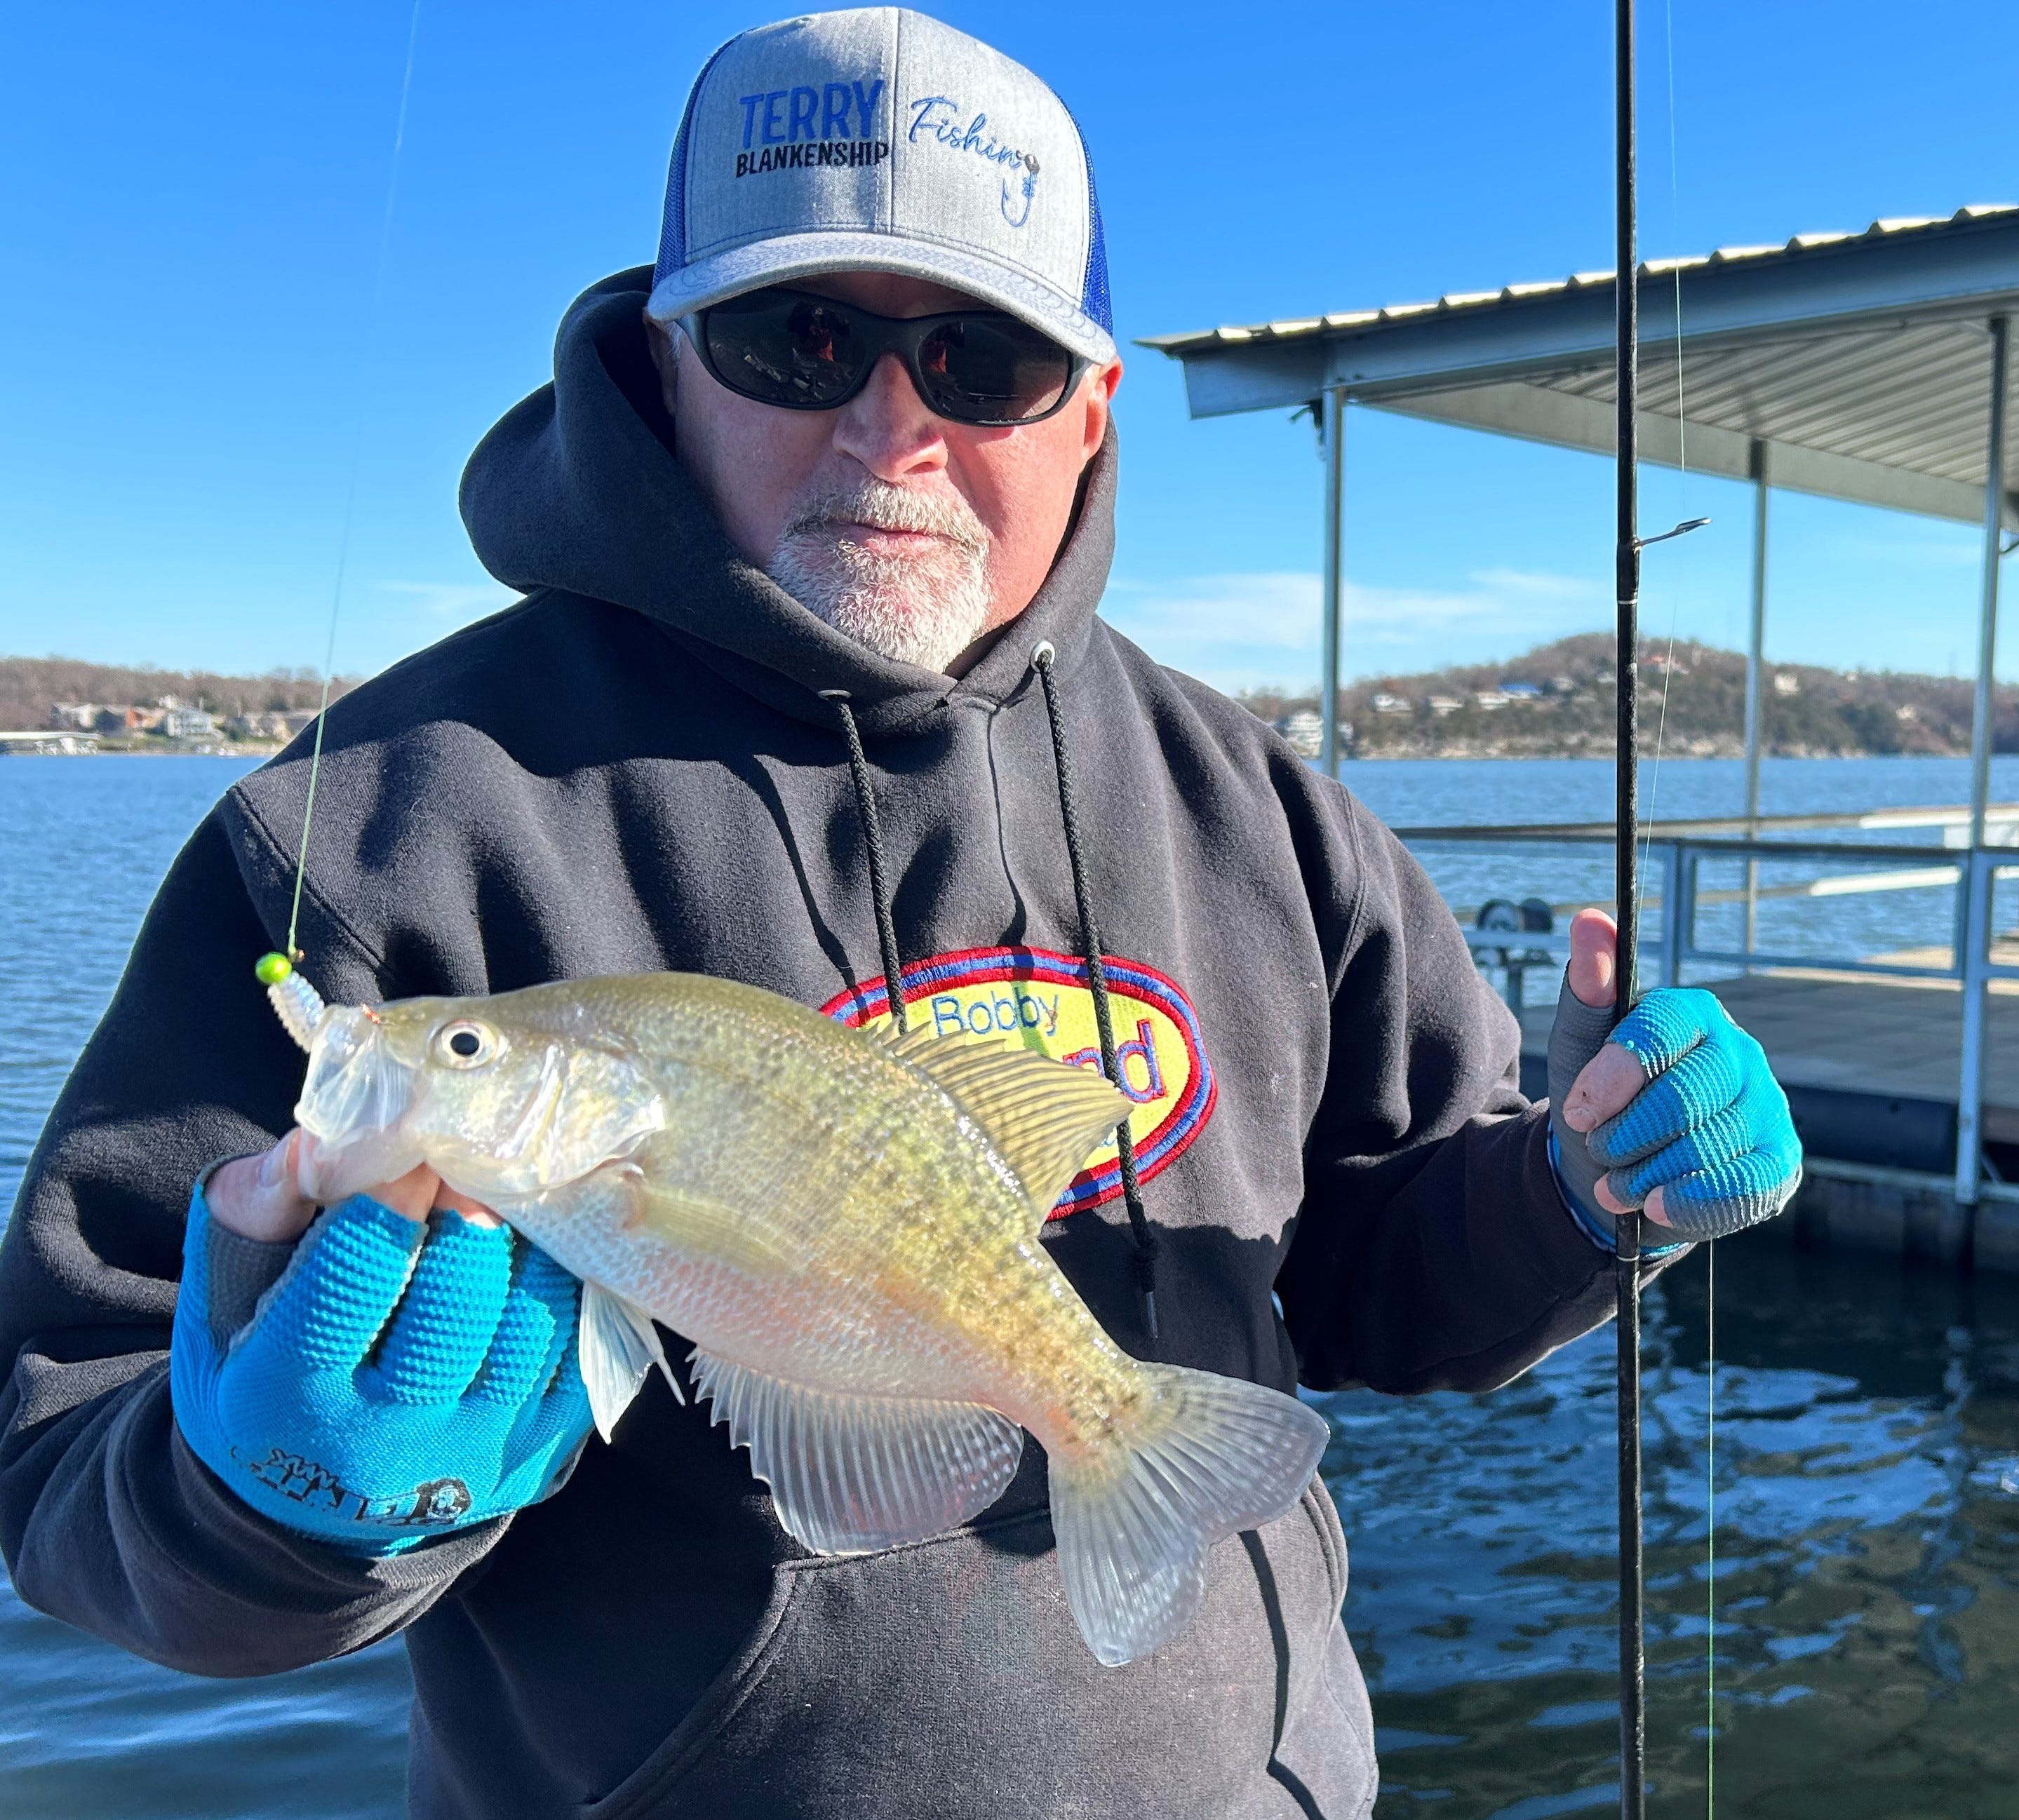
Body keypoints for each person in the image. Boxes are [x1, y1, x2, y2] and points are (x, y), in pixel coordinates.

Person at [0, 10, 1802, 1817]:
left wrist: (1576, 1194)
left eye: (981, 356)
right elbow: (68, 1472)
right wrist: (275, 1502)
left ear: (1091, 406)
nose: (890, 423)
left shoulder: (1251, 801)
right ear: (664, 360)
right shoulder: (379, 822)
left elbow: (1361, 1275)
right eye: (801, 338)